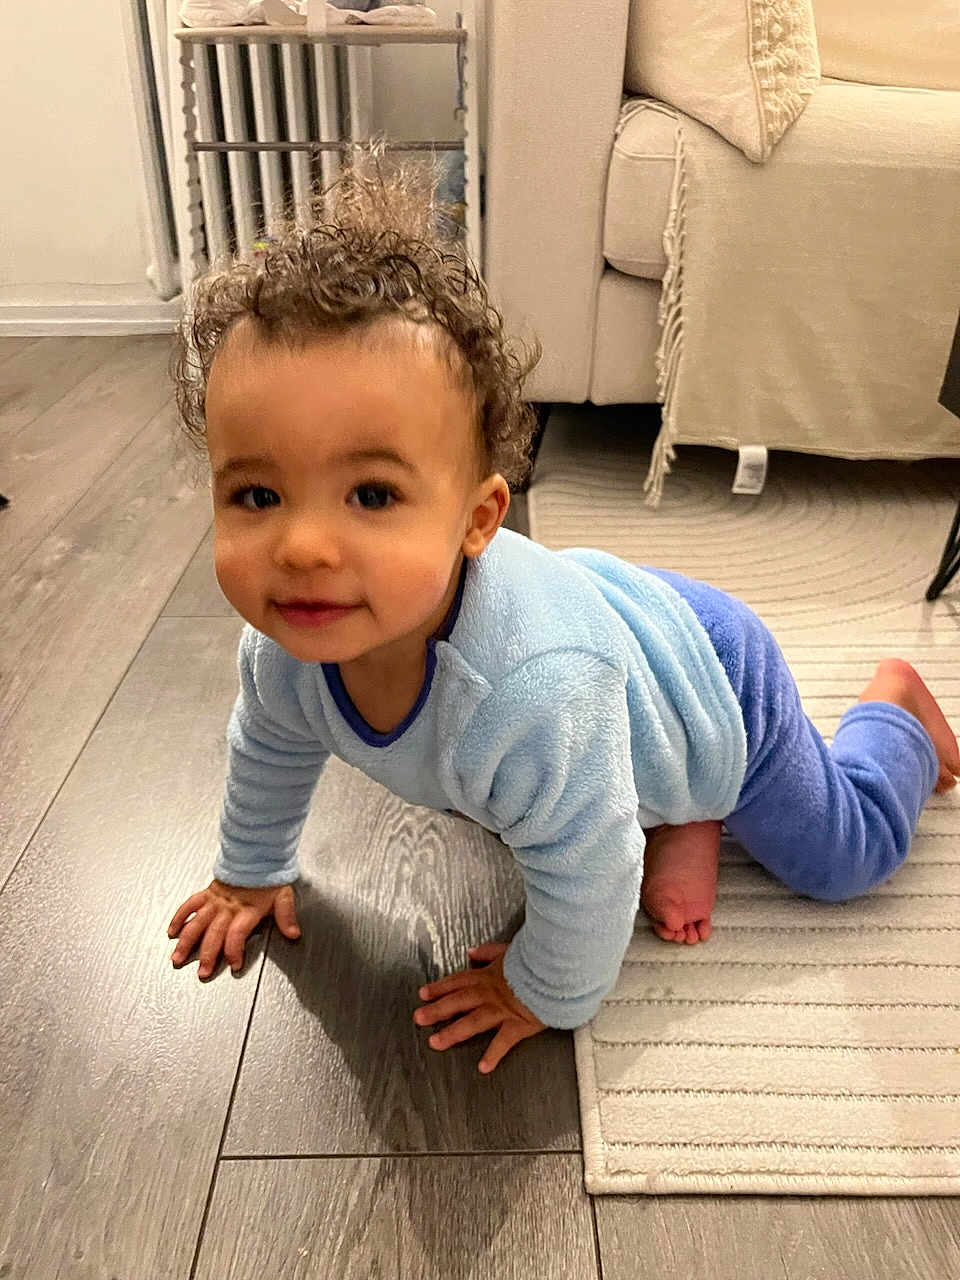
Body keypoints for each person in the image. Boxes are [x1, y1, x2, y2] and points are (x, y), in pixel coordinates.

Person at [167, 152, 960, 1076]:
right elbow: (269, 747)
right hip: (597, 653)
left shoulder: (532, 697)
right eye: (256, 496)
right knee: (537, 792)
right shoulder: (286, 651)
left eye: (372, 496)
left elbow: (590, 865)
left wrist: (539, 988)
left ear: (477, 522)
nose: (301, 548)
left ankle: (890, 712)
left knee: (841, 859)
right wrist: (248, 870)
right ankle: (679, 813)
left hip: (712, 683)